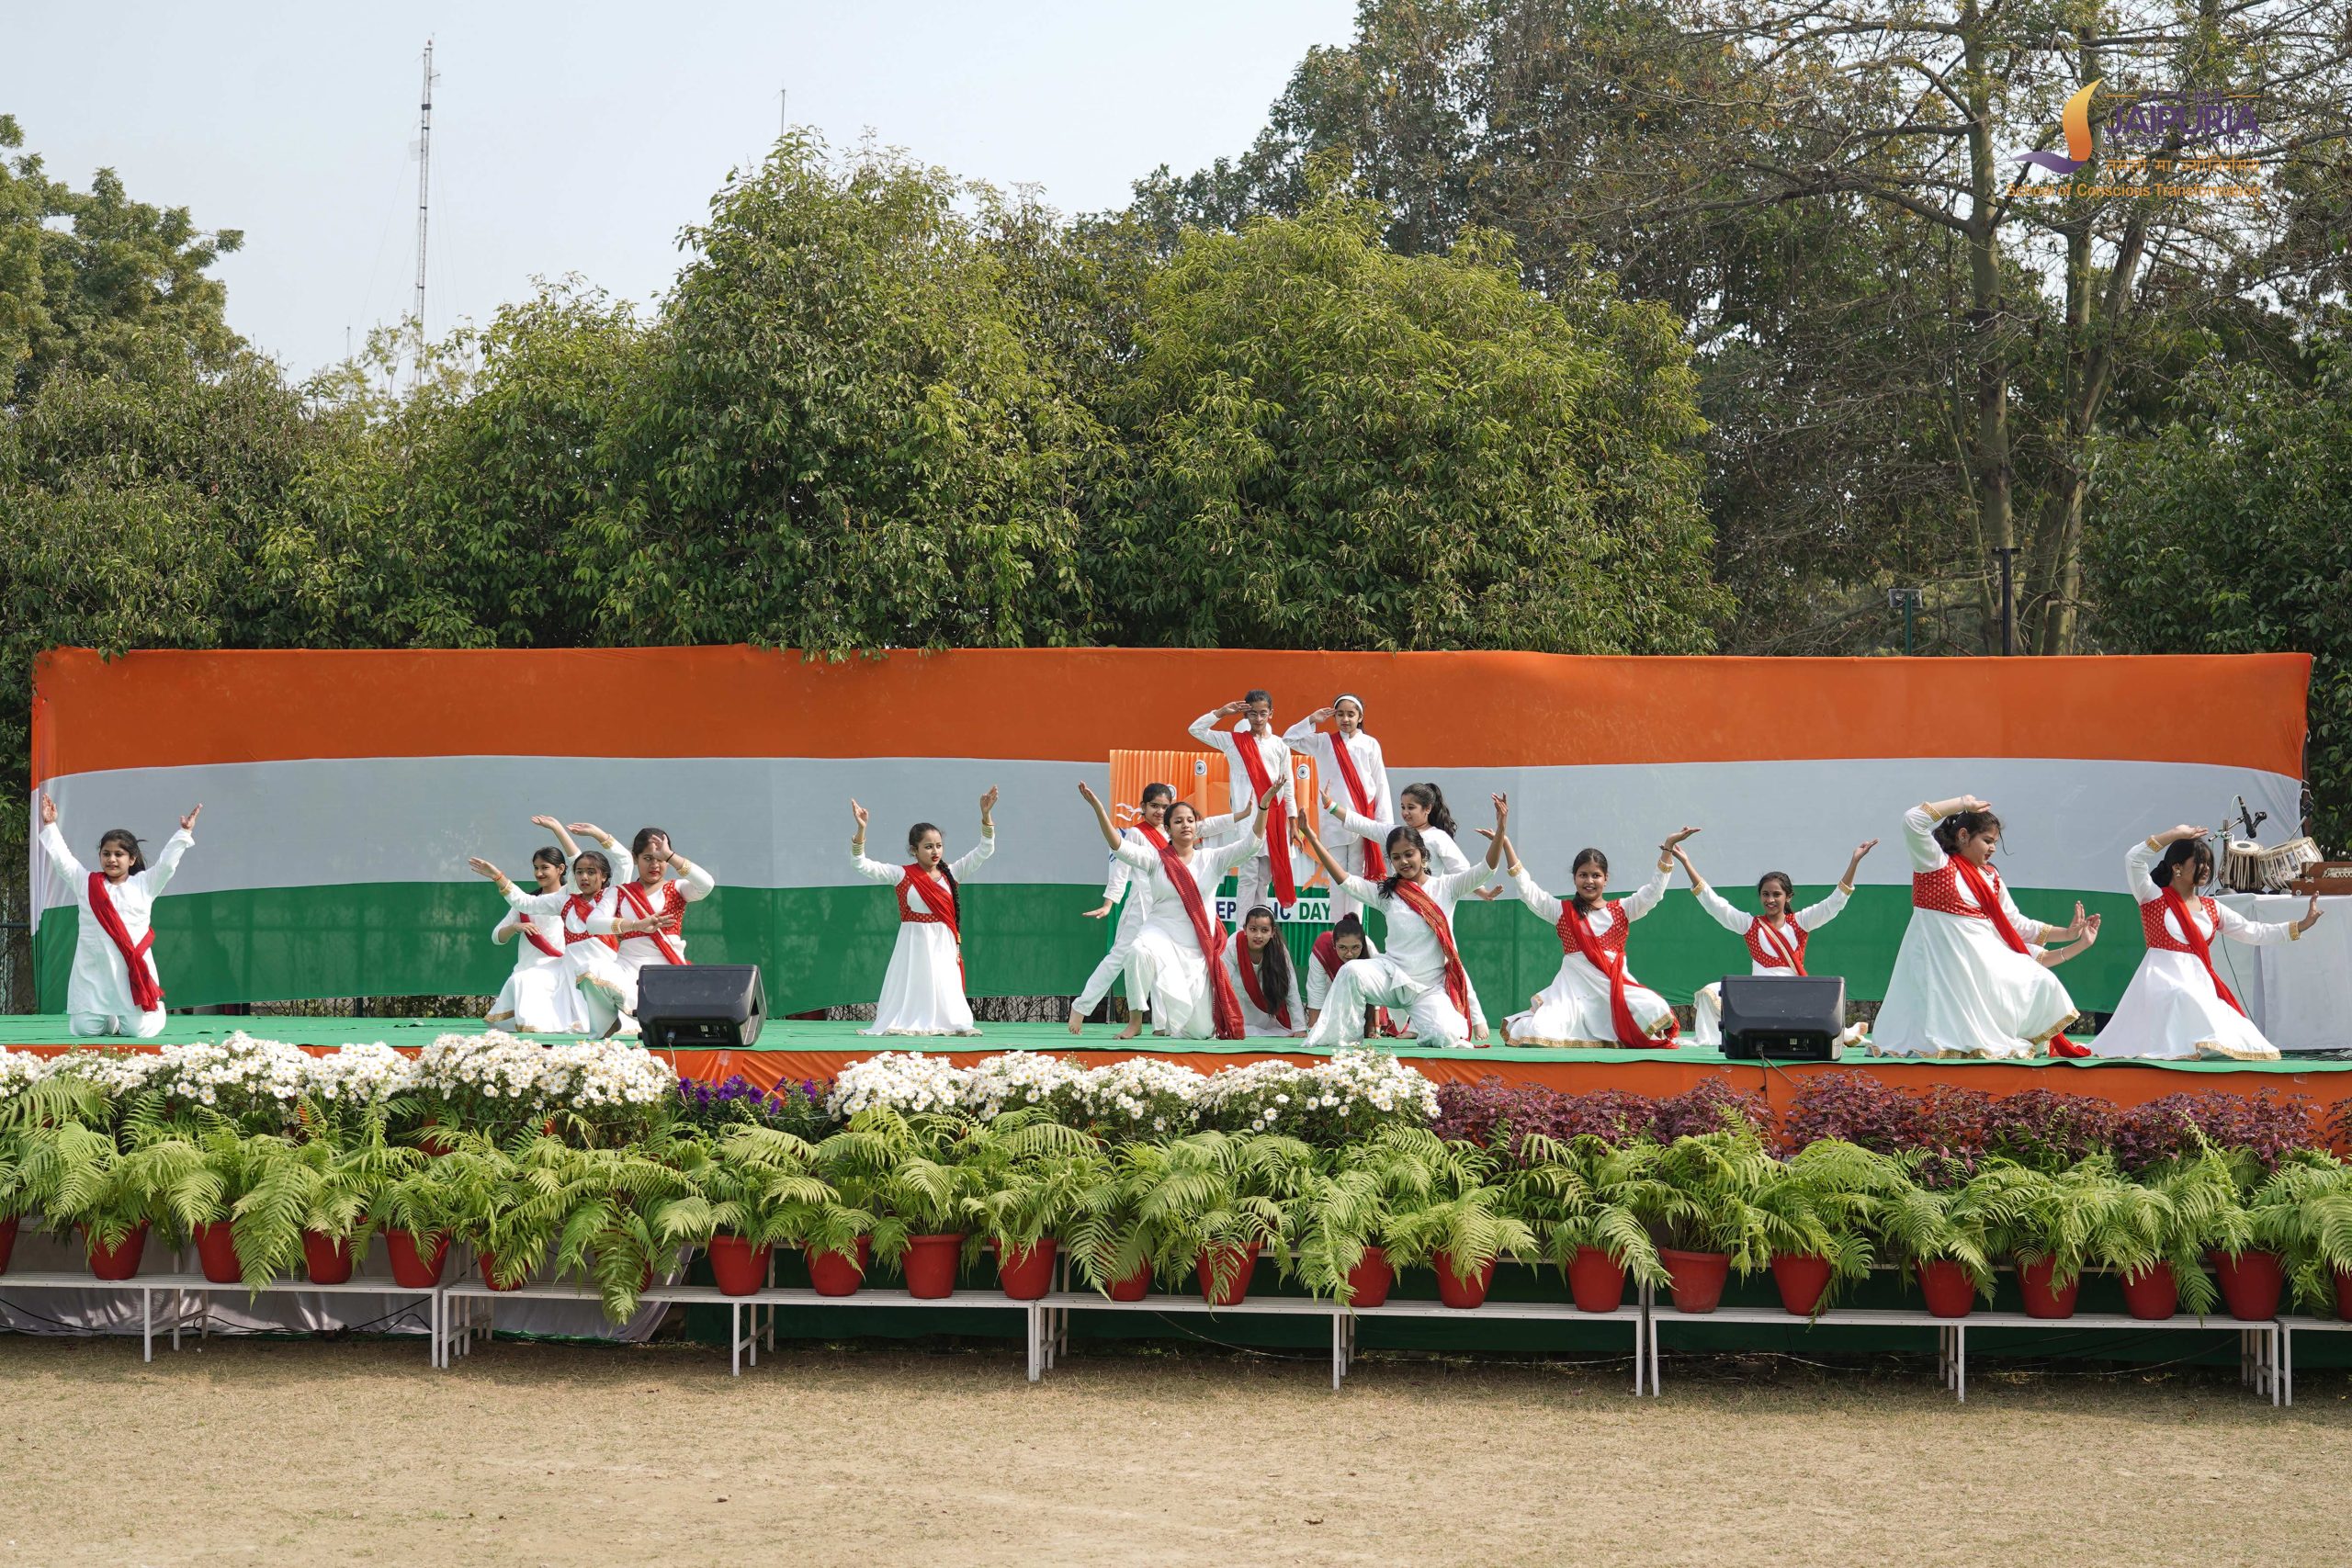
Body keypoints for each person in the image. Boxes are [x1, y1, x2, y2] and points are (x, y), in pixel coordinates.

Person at [1870, 796, 2095, 1059]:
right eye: (1987, 841)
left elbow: (2015, 923)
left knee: (2041, 981)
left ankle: (2017, 1035)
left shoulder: (1990, 876)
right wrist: (1963, 803)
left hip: (1981, 961)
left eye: (1995, 843)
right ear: (1963, 836)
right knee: (1937, 1031)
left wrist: (2067, 933)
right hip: (1939, 960)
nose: (1993, 849)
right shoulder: (1935, 863)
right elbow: (1912, 820)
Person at [1294, 793, 1508, 1048]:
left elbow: (1486, 869)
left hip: (1427, 989)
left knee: (1445, 1036)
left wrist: (1501, 828)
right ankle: (1344, 1042)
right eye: (1396, 858)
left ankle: (1426, 1027)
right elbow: (1345, 881)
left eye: (1409, 854)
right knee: (1351, 971)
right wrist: (1313, 839)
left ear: (1423, 854)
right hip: (1390, 978)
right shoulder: (1387, 893)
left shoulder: (1447, 887)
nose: (1403, 862)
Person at [2095, 824, 2322, 1060]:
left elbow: (2253, 931)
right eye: (2199, 862)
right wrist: (2175, 834)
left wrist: (2299, 926)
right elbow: (2133, 859)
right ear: (2177, 867)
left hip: (2198, 983)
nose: (2206, 868)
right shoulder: (2152, 897)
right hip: (2160, 983)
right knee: (2181, 997)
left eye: (2208, 863)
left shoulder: (2212, 908)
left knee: (2240, 1032)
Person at [1078, 781, 1272, 1040]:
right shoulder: (1155, 859)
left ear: (1196, 826)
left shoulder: (1212, 859)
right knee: (1137, 951)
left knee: (1200, 1032)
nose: (1185, 825)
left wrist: (1262, 807)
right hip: (1159, 932)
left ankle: (1175, 1023)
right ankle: (1135, 1021)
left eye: (1190, 820)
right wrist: (1099, 809)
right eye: (1178, 821)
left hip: (1195, 946)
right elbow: (1119, 847)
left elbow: (1252, 844)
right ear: (1168, 828)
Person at [1498, 829, 1693, 1048]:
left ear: (1605, 879)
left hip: (1613, 992)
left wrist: (1668, 847)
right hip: (1573, 995)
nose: (1589, 881)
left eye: (1596, 875)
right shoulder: (1562, 911)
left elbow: (1654, 892)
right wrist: (1505, 843)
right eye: (1583, 875)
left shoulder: (1622, 909)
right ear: (1574, 878)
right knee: (1539, 1031)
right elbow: (1528, 891)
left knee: (1655, 1008)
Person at [1676, 838, 1876, 1047]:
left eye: (1776, 894)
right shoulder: (1750, 925)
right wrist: (1686, 863)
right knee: (1709, 993)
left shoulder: (1801, 922)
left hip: (1793, 996)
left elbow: (1834, 903)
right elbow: (1715, 904)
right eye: (1765, 894)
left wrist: (1854, 861)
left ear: (1788, 897)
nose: (1770, 900)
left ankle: (1843, 1033)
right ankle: (1714, 1042)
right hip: (1758, 995)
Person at [36, 792, 199, 1038]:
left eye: (119, 854)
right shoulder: (85, 882)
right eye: (106, 854)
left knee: (137, 1031)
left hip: (129, 970)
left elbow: (167, 865)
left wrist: (183, 833)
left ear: (132, 859)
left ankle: (155, 1014)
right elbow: (63, 861)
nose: (111, 859)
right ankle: (109, 1018)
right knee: (84, 1030)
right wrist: (50, 825)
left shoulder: (145, 883)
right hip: (93, 969)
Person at [851, 789, 999, 1036]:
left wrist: (986, 816)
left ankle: (951, 1022)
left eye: (939, 846)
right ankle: (910, 1020)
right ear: (914, 850)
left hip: (944, 941)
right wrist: (861, 830)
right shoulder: (901, 874)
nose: (935, 851)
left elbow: (985, 850)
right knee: (914, 984)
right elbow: (861, 864)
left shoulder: (953, 872)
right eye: (928, 846)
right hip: (913, 942)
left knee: (944, 982)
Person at [471, 818, 636, 1036]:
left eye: (591, 872)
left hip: (603, 967)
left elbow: (625, 861)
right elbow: (524, 903)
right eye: (579, 872)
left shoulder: (612, 896)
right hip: (570, 973)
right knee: (526, 982)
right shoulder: (565, 902)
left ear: (604, 876)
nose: (584, 877)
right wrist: (498, 877)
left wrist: (597, 834)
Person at [569, 823, 718, 985]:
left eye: (661, 859)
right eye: (648, 858)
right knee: (590, 969)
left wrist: (670, 855)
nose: (655, 865)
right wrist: (636, 925)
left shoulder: (677, 888)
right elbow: (592, 924)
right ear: (635, 858)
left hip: (667, 966)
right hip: (627, 968)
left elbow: (706, 885)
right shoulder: (619, 892)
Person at [1190, 693, 1298, 914]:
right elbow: (1195, 730)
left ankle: (1261, 925)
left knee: (1265, 876)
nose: (1258, 719)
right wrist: (1221, 712)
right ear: (1245, 715)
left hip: (1273, 817)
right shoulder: (1233, 741)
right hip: (1247, 817)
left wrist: (1293, 822)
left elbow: (1288, 786)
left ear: (1271, 713)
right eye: (1253, 714)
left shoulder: (1280, 745)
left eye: (1263, 713)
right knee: (1249, 875)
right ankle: (1243, 928)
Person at [1284, 696, 1390, 924]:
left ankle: (1355, 930)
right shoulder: (1324, 742)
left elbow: (1380, 784)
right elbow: (1289, 739)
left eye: (1351, 714)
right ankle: (1338, 931)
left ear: (1360, 717)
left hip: (1362, 821)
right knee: (1336, 879)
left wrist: (1383, 826)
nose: (1345, 719)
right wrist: (1312, 719)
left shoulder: (1370, 744)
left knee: (1357, 879)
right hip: (1333, 821)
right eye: (1340, 714)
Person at [487, 840, 591, 1034]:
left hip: (559, 968)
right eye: (536, 868)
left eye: (545, 867)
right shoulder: (526, 902)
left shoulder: (569, 895)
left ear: (561, 869)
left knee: (525, 981)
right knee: (521, 980)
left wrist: (557, 829)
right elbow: (497, 937)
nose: (539, 873)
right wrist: (515, 927)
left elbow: (577, 860)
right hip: (527, 967)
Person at [1305, 913, 1399, 1037]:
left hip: (1366, 1002)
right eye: (1342, 948)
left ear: (1362, 945)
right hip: (1333, 999)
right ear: (1333, 944)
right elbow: (1316, 990)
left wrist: (1373, 1029)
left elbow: (1377, 990)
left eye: (1355, 948)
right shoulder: (1322, 946)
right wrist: (1313, 1029)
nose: (1349, 954)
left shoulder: (1369, 948)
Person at [1222, 905, 1306, 1037]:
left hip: (1269, 1017)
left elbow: (1292, 989)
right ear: (1245, 929)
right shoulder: (1233, 945)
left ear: (1272, 932)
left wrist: (1299, 1027)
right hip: (1238, 1012)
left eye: (1264, 930)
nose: (1258, 935)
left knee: (1282, 1034)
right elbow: (1223, 985)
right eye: (1253, 929)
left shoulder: (1279, 950)